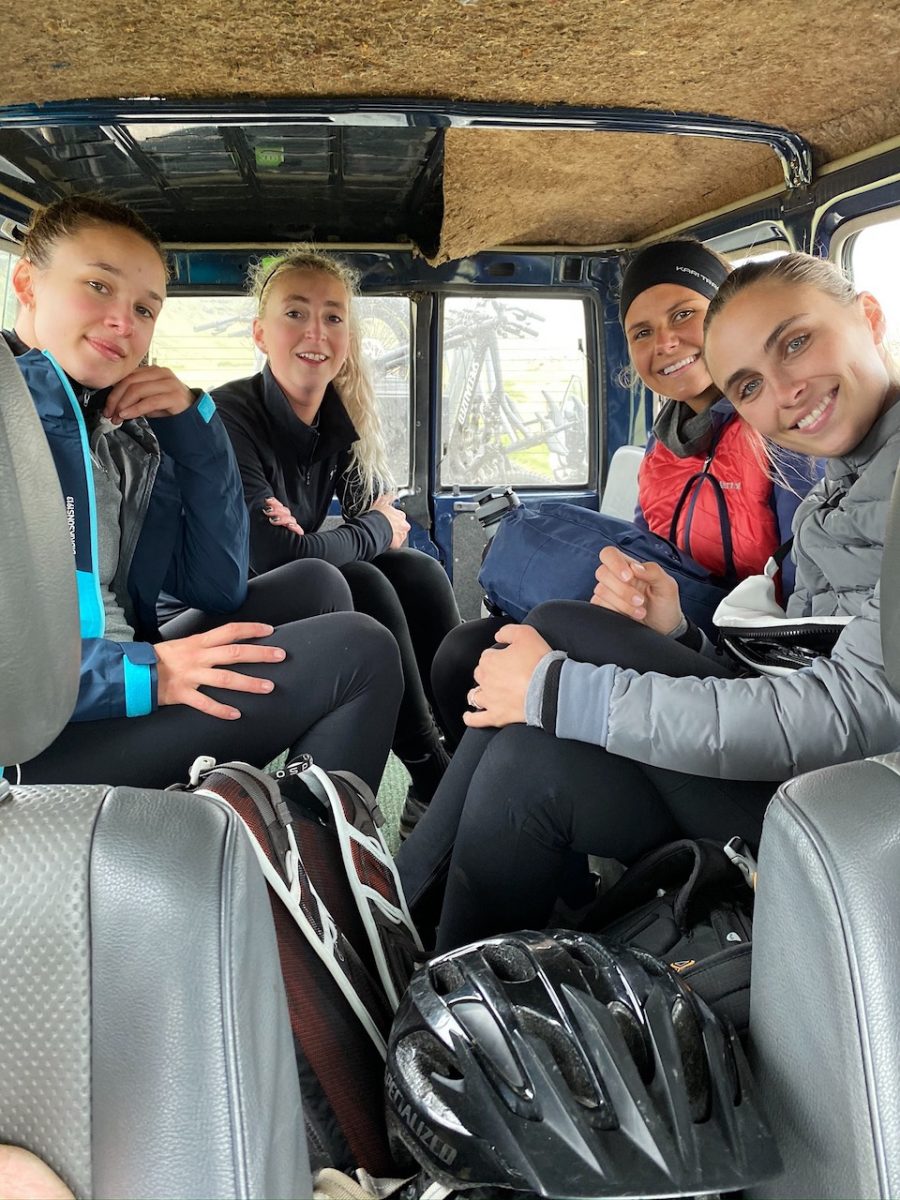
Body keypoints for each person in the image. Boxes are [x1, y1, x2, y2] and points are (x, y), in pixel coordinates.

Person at [397, 252, 900, 951]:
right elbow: (802, 656)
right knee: (527, 760)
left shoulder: (826, 474)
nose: (784, 392)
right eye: (750, 385)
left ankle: (395, 905)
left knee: (559, 629)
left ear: (869, 318)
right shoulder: (835, 490)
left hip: (859, 821)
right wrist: (679, 634)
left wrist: (558, 691)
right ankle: (439, 974)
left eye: (795, 342)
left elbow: (852, 708)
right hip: (806, 776)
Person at [6, 196, 402, 794]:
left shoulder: (117, 433)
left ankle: (276, 827)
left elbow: (217, 585)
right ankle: (302, 852)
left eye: (145, 308)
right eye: (98, 286)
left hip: (123, 674)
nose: (124, 322)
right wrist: (147, 674)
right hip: (36, 741)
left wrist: (195, 431)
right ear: (27, 283)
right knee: (361, 653)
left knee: (317, 583)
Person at [431, 238, 815, 747]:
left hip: (740, 655)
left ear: (727, 314)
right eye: (642, 332)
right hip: (665, 623)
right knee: (468, 650)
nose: (666, 342)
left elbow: (804, 607)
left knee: (544, 640)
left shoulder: (782, 430)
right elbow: (646, 551)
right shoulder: (662, 450)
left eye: (684, 314)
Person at [212, 247, 460, 827]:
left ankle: (470, 741)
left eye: (333, 317)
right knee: (359, 579)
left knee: (415, 572)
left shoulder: (337, 419)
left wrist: (366, 529)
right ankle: (432, 776)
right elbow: (282, 554)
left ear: (348, 338)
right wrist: (366, 530)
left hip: (290, 588)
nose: (315, 332)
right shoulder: (229, 415)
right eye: (295, 313)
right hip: (212, 607)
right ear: (260, 333)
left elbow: (391, 528)